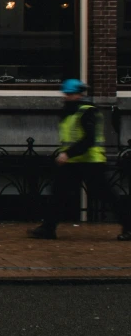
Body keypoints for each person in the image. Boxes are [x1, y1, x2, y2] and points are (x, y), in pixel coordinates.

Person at [28, 78, 131, 241]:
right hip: (75, 162)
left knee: (106, 196)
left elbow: (89, 139)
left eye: (69, 94)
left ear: (78, 94)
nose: (66, 97)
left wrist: (68, 153)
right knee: (58, 194)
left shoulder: (86, 112)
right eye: (66, 94)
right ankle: (48, 228)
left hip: (90, 162)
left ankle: (129, 226)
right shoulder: (72, 112)